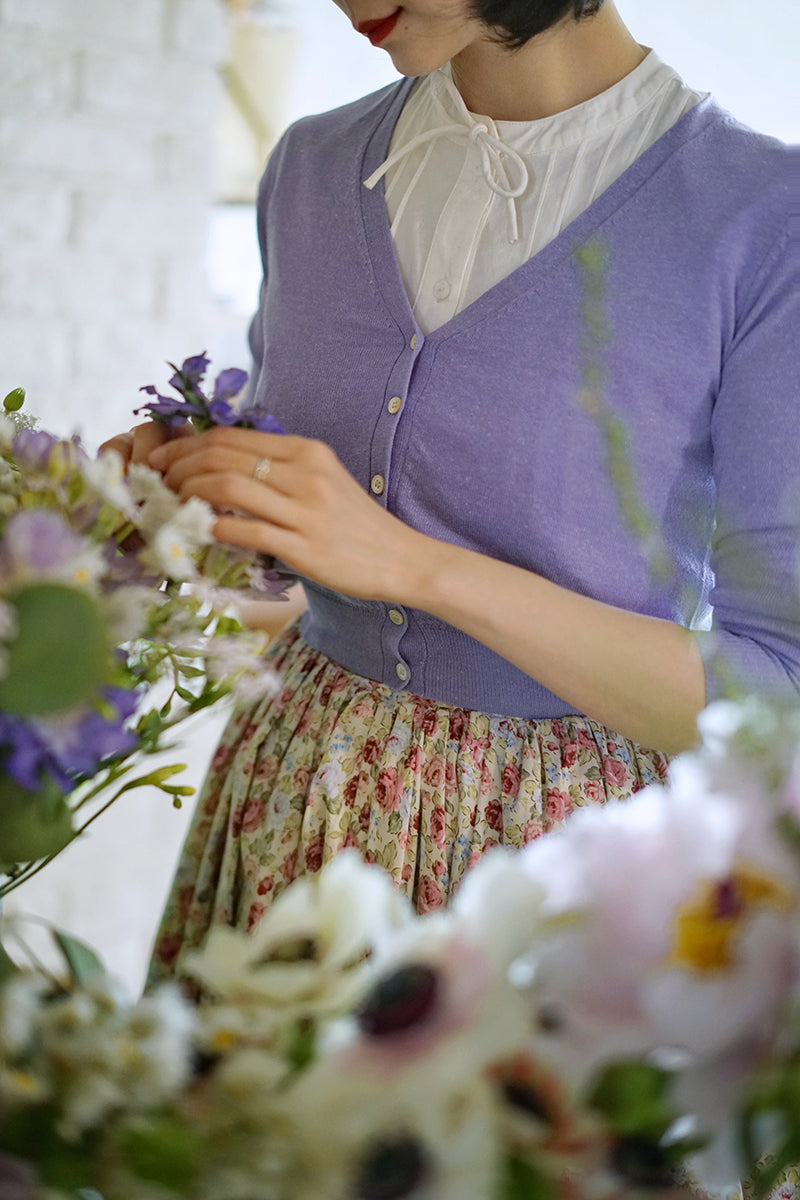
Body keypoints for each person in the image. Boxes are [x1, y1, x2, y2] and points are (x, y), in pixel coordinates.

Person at [106, 0, 797, 976]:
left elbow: (776, 695)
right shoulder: (308, 168)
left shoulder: (764, 223)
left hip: (556, 867)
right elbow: (296, 582)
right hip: (291, 802)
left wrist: (416, 568)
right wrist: (185, 514)